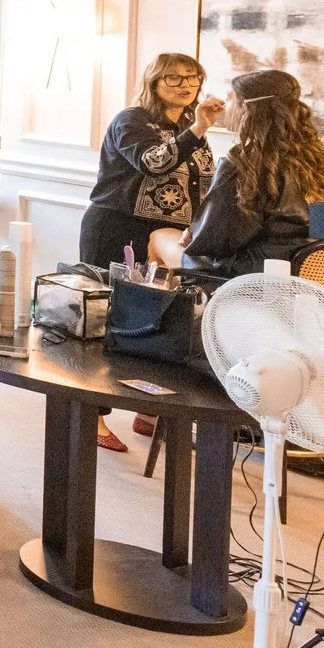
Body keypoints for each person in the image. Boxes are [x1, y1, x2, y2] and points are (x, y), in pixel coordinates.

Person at [79, 53, 224, 451]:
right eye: (173, 78)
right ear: (154, 82)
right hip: (116, 228)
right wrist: (197, 128)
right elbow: (153, 163)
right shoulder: (132, 120)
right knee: (103, 324)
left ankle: (149, 411)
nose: (184, 84)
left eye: (192, 77)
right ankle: (90, 417)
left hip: (165, 238)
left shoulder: (189, 126)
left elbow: (201, 183)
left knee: (156, 325)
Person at [182, 69, 324, 278]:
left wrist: (193, 232)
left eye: (229, 99)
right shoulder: (315, 161)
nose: (225, 107)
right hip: (306, 273)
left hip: (251, 278)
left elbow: (212, 242)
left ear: (246, 109)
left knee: (161, 239)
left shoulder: (242, 165)